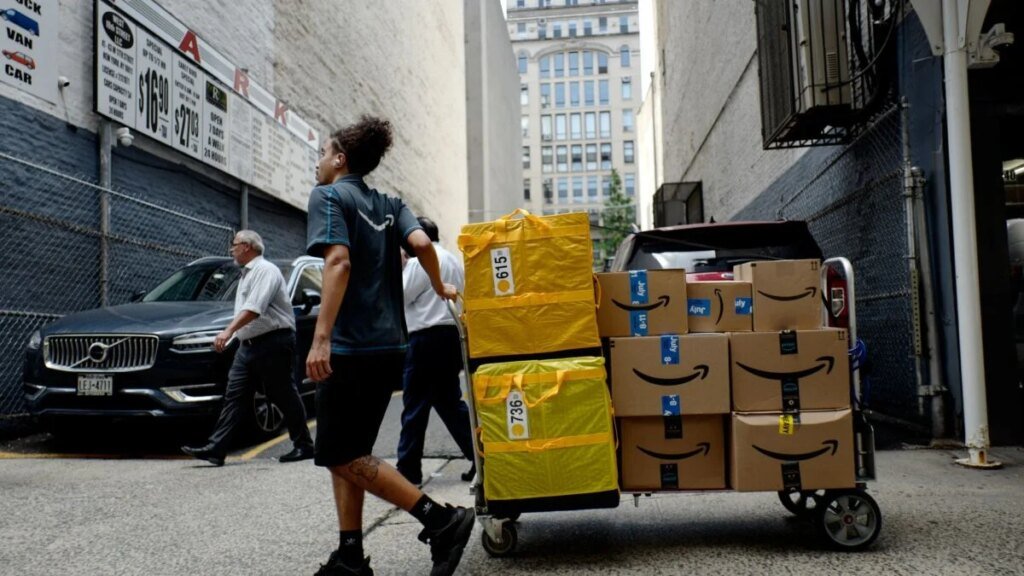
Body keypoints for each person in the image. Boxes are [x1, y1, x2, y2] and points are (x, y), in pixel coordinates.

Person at [306, 116, 474, 576]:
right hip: (390, 348)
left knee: (339, 453)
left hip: (349, 347)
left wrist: (321, 338)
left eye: (323, 153)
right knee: (351, 452)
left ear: (341, 159)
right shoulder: (390, 204)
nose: (319, 161)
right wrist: (438, 286)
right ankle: (350, 556)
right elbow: (422, 244)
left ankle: (440, 521)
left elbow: (338, 263)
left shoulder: (328, 196)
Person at [181, 230, 315, 466]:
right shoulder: (246, 274)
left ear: (247, 246)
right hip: (249, 345)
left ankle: (304, 445)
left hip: (273, 341)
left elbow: (254, 308)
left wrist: (227, 332)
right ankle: (216, 449)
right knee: (235, 395)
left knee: (282, 393)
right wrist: (235, 337)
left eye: (234, 245)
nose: (231, 249)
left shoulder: (266, 270)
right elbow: (245, 312)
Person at [396, 216, 476, 486]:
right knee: (449, 403)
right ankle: (482, 459)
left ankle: (408, 470)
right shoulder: (452, 260)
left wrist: (400, 267)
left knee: (415, 404)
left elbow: (401, 296)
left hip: (426, 338)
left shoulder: (420, 261)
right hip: (452, 335)